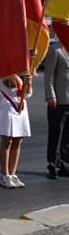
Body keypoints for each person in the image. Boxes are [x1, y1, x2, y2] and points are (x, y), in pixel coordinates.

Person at [0, 74, 32, 188]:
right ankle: (5, 175)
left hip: (21, 108)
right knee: (7, 141)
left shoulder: (20, 76)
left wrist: (29, 82)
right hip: (9, 107)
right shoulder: (3, 74)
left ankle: (12, 174)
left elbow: (27, 94)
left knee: (18, 142)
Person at [44, 43, 69, 179]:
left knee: (67, 136)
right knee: (56, 134)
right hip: (58, 100)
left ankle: (65, 165)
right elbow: (49, 75)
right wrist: (50, 94)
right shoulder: (56, 50)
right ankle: (53, 165)